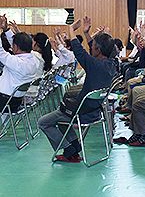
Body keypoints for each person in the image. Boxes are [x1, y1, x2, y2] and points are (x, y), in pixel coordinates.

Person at [38, 17, 117, 163]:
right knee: (62, 117)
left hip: (81, 113)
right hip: (95, 112)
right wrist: (87, 34)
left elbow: (79, 50)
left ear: (98, 50)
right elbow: (91, 51)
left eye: (93, 46)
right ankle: (74, 147)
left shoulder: (94, 65)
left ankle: (68, 149)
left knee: (43, 122)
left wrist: (71, 29)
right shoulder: (112, 64)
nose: (91, 47)